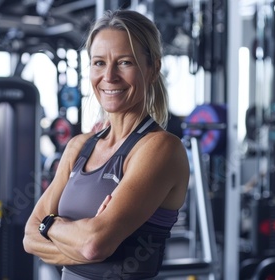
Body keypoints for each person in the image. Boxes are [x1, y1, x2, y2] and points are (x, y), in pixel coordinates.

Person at [23, 9, 190, 279]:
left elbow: (92, 244)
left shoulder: (161, 148)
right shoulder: (78, 147)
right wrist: (80, 235)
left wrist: (49, 224)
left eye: (125, 62)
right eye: (99, 63)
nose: (109, 76)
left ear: (153, 68)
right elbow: (29, 237)